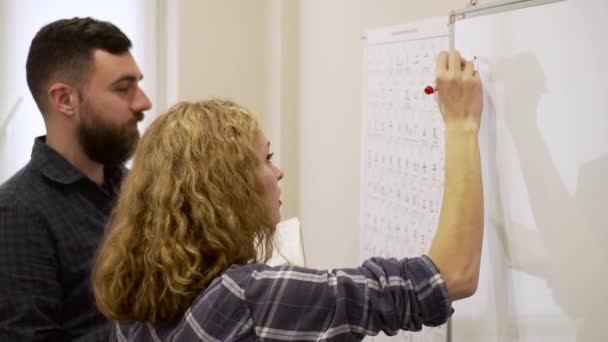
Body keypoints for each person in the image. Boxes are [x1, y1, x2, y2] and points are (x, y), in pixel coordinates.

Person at [93, 50, 483, 341]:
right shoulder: (246, 297)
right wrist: (462, 124)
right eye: (266, 158)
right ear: (228, 186)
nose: (278, 172)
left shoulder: (139, 293)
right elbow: (450, 277)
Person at [0, 17, 152, 341]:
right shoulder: (17, 212)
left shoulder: (139, 190)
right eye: (124, 88)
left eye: (138, 84)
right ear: (65, 100)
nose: (143, 102)